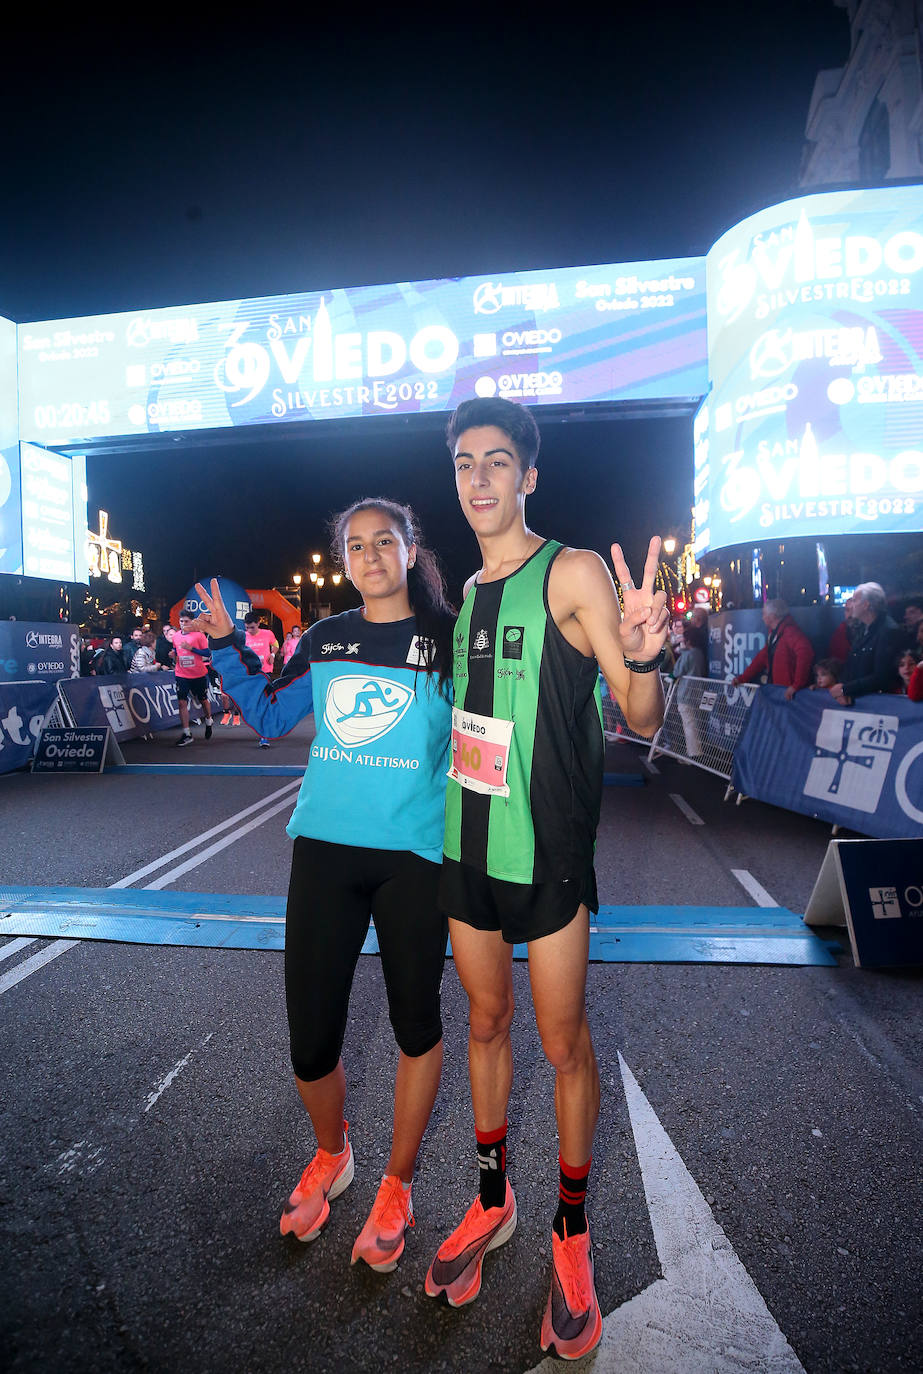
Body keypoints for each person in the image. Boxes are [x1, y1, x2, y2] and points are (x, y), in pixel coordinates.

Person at [423, 397, 669, 1361]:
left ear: (527, 475)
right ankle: (495, 1200)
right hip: (467, 854)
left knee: (562, 1044)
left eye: (496, 462)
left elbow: (640, 715)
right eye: (462, 464)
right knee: (484, 1023)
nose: (477, 479)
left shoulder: (567, 572)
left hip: (550, 857)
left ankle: (571, 1225)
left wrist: (647, 653)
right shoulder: (464, 604)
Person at [189, 497, 454, 1273]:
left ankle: (396, 1183)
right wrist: (229, 646)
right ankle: (332, 1154)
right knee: (310, 1042)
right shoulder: (327, 636)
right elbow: (270, 717)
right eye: (356, 546)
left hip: (414, 858)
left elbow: (489, 737)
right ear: (344, 560)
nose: (371, 556)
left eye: (384, 541)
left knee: (415, 1025)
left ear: (409, 549)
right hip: (325, 855)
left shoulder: (445, 642)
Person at [830, 582, 905, 706]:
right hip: (860, 701)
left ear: (866, 605)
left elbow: (883, 677)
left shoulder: (888, 631)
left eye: (854, 600)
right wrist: (843, 690)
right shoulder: (862, 628)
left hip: (879, 705)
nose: (851, 605)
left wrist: (846, 689)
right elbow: (851, 663)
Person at [731, 598, 814, 700]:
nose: (763, 618)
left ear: (772, 616)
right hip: (781, 691)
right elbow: (761, 659)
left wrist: (797, 685)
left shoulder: (789, 632)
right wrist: (743, 678)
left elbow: (805, 653)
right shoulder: (775, 634)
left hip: (787, 694)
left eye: (764, 614)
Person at [171, 609, 214, 746]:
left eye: (186, 621)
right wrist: (173, 654)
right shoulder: (176, 636)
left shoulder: (199, 636)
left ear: (192, 622)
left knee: (203, 700)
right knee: (182, 702)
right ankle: (187, 733)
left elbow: (207, 653)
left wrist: (191, 649)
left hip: (198, 674)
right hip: (181, 674)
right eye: (181, 621)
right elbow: (177, 651)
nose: (184, 624)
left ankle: (208, 720)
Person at [244, 611, 280, 748]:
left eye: (252, 627)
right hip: (250, 674)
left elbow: (276, 644)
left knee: (263, 703)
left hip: (265, 672)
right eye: (247, 628)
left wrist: (272, 654)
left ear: (258, 623)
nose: (250, 631)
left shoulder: (268, 634)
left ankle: (264, 736)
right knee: (254, 705)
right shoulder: (243, 636)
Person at [672, 622, 707, 758]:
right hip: (697, 692)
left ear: (689, 640)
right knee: (695, 723)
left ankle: (693, 753)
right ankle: (697, 751)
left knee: (688, 724)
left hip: (685, 693)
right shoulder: (699, 653)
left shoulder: (688, 654)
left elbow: (678, 671)